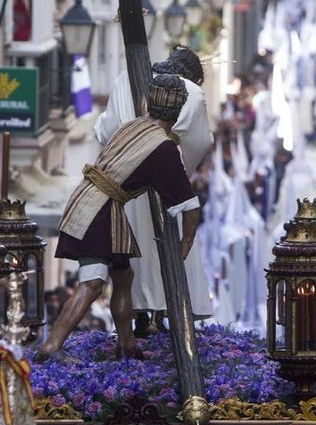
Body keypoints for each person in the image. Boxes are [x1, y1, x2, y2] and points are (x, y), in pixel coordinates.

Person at [36, 73, 201, 362]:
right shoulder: (163, 148)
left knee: (123, 276)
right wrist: (186, 242)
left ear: (150, 102)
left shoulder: (135, 125)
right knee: (93, 282)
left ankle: (127, 344)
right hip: (99, 207)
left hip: (97, 201)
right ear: (178, 112)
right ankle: (52, 345)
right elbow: (189, 205)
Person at [93, 46, 214, 321]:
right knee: (169, 254)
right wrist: (182, 170)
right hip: (167, 178)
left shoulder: (125, 78)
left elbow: (106, 130)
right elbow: (200, 142)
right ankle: (164, 316)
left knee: (133, 262)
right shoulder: (192, 92)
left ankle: (140, 323)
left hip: (127, 183)